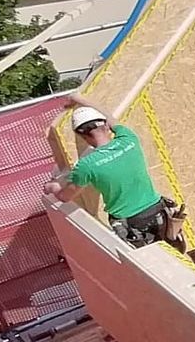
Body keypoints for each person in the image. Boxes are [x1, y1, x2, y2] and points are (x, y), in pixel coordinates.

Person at [44, 97, 184, 250]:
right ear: (105, 125)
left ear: (82, 136)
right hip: (158, 211)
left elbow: (65, 196)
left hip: (131, 223)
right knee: (177, 254)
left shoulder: (87, 165)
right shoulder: (128, 139)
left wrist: (52, 187)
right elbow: (109, 116)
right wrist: (78, 98)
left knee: (151, 265)